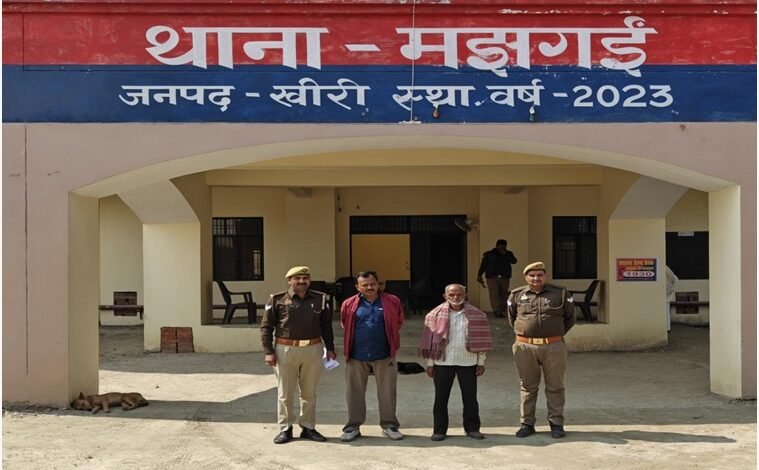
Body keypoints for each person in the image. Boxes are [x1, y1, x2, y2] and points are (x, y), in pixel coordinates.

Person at [260, 266, 336, 444]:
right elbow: (266, 327)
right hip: (285, 350)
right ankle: (285, 428)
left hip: (313, 349)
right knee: (285, 393)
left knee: (309, 392)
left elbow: (326, 325)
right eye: (297, 278)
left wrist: (330, 348)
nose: (302, 281)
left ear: (309, 280)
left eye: (305, 278)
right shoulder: (277, 299)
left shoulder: (320, 299)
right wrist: (268, 351)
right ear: (289, 281)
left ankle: (308, 427)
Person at [507, 261, 575, 439]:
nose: (536, 278)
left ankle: (556, 424)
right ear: (526, 277)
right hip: (524, 346)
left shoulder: (561, 293)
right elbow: (512, 318)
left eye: (539, 275)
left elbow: (570, 318)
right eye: (532, 275)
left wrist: (553, 334)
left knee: (555, 386)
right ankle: (527, 424)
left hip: (553, 346)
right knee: (527, 386)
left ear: (545, 276)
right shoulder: (516, 295)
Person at [419, 284, 493, 442]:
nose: (455, 297)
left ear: (465, 295)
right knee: (440, 398)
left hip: (468, 362)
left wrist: (480, 362)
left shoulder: (477, 315)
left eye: (459, 294)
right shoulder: (433, 315)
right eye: (451, 295)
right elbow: (429, 342)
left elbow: (482, 341)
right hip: (442, 362)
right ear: (445, 296)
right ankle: (439, 430)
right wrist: (430, 364)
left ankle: (472, 429)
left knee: (470, 398)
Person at [339, 271, 405, 442]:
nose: (369, 287)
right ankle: (353, 426)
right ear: (357, 287)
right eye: (365, 285)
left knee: (387, 392)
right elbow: (345, 323)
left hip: (384, 354)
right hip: (356, 354)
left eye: (373, 284)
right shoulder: (349, 304)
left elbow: (398, 322)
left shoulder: (392, 301)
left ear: (378, 284)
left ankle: (389, 425)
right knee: (354, 392)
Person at [477, 239, 518, 317]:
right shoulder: (489, 254)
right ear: (497, 246)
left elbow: (514, 261)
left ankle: (503, 310)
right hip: (491, 277)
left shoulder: (508, 253)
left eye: (503, 246)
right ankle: (496, 310)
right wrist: (479, 275)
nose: (502, 247)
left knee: (503, 293)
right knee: (494, 293)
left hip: (504, 277)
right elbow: (483, 265)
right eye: (500, 245)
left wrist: (506, 254)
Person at [665, 265, 679, 332]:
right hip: (667, 292)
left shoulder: (662, 267)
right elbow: (674, 279)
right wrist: (672, 288)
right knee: (666, 310)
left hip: (663, 292)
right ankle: (667, 328)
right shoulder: (666, 268)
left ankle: (666, 327)